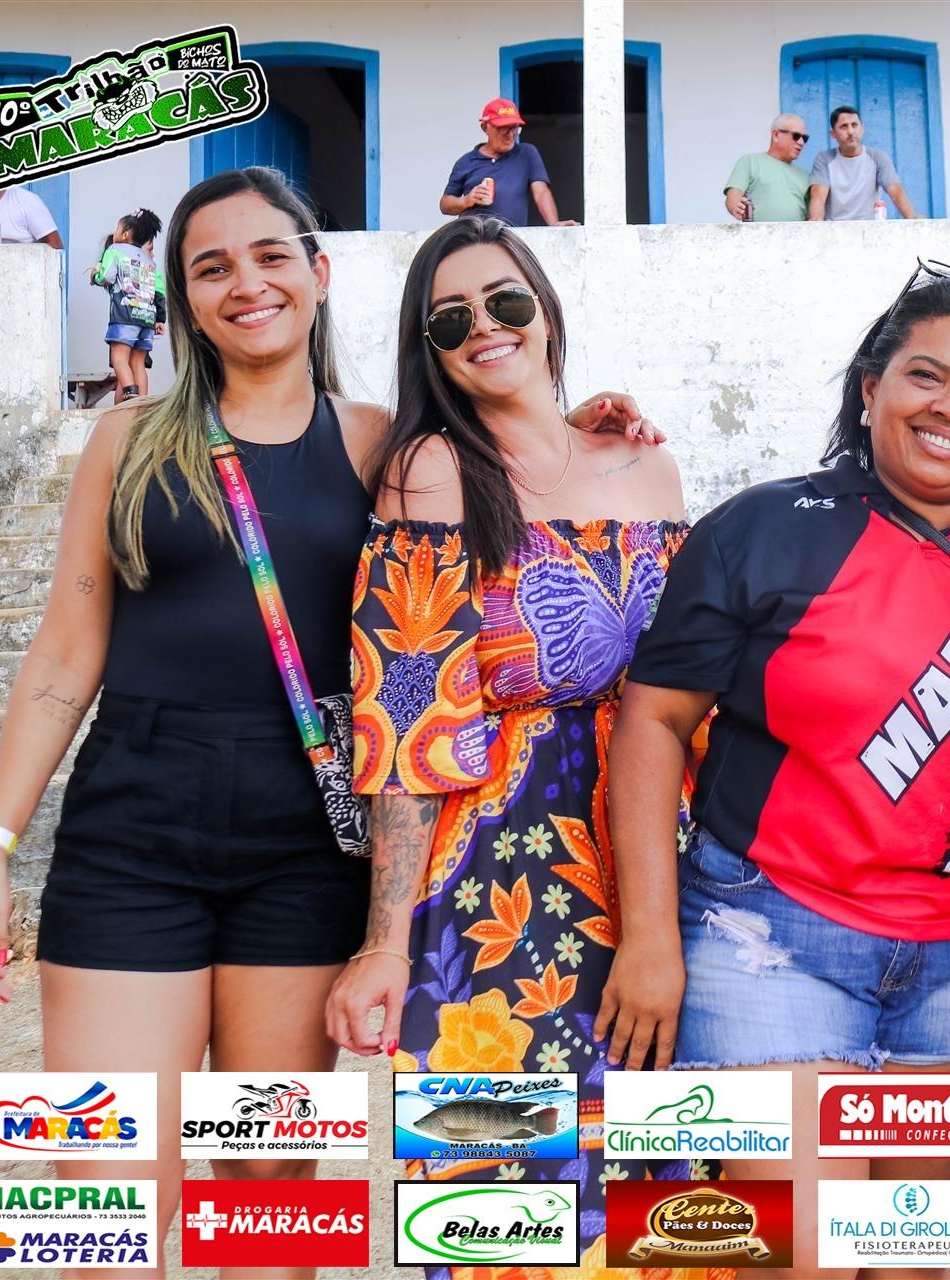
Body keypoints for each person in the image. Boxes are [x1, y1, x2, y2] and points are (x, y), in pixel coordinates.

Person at [0, 167, 382, 1280]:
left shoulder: (380, 444)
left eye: (272, 255)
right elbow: (64, 653)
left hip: (304, 851)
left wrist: (591, 428)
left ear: (319, 272)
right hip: (130, 840)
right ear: (183, 299)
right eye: (212, 267)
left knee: (267, 1205)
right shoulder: (128, 438)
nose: (248, 284)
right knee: (103, 1204)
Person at [599, 262, 950, 1280]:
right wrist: (651, 936)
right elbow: (654, 721)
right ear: (871, 387)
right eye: (927, 376)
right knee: (803, 1252)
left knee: (910, 1257)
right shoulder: (764, 527)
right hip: (771, 943)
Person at [324, 216, 688, 1276]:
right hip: (502, 879)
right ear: (429, 350)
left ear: (546, 310)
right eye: (450, 319)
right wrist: (385, 941)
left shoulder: (646, 462)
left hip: (661, 861)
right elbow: (405, 719)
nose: (484, 326)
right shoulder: (433, 469)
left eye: (506, 301)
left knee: (666, 1192)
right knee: (505, 1205)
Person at [439, 98, 576, 228]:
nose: (510, 135)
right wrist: (466, 200)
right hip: (474, 239)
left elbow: (541, 192)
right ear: (485, 127)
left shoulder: (526, 153)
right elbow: (445, 205)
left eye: (514, 128)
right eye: (503, 129)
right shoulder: (466, 162)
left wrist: (554, 223)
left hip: (510, 238)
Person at [89, 207, 166, 404]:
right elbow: (158, 291)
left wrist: (95, 277)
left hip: (125, 315)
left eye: (117, 228)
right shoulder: (149, 260)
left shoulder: (114, 250)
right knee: (138, 363)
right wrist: (160, 319)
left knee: (119, 359)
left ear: (124, 234)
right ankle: (142, 404)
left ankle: (130, 395)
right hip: (147, 318)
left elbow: (107, 276)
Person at [808, 105, 918, 220]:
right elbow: (818, 194)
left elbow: (896, 191)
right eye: (844, 126)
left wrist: (913, 219)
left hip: (869, 228)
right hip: (834, 228)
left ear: (862, 129)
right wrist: (816, 222)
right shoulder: (824, 159)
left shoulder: (877, 157)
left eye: (854, 125)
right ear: (833, 133)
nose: (850, 132)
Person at [724, 115, 813, 222]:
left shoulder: (806, 175)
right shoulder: (750, 161)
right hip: (759, 232)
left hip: (796, 233)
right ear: (776, 135)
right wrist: (736, 207)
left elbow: (811, 217)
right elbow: (734, 194)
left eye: (804, 138)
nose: (801, 142)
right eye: (796, 136)